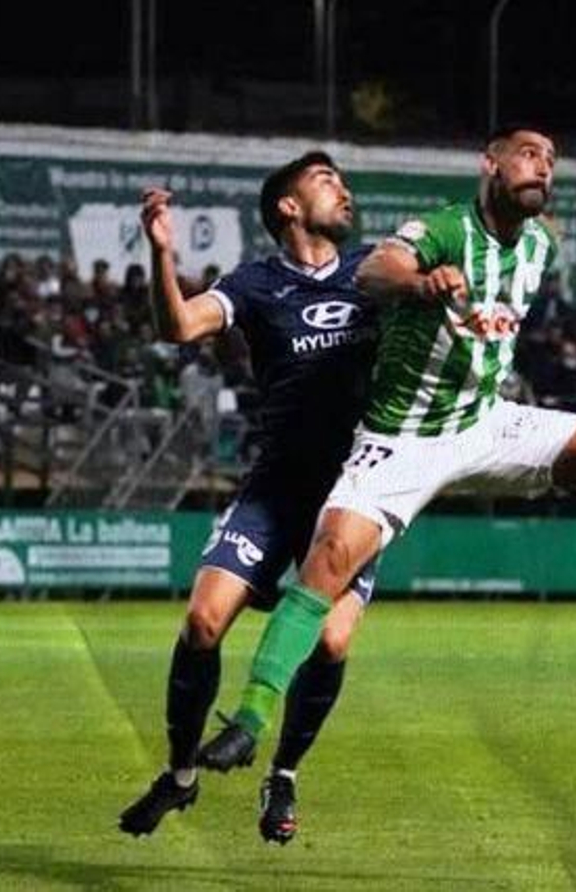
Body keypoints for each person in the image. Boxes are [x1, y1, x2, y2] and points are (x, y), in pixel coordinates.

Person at [202, 125, 576, 779]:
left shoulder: (541, 240)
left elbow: (545, 229)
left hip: (485, 421)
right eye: (527, 153)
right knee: (326, 561)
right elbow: (379, 266)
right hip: (401, 437)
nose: (542, 166)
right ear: (487, 164)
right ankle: (250, 718)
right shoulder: (446, 228)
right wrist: (419, 279)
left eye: (551, 160)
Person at [118, 152, 384, 846]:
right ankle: (180, 776)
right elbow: (177, 326)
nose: (344, 191)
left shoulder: (374, 274)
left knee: (328, 638)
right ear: (289, 207)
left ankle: (284, 772)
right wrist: (163, 254)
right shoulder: (256, 283)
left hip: (353, 495)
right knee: (203, 622)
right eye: (328, 180)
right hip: (274, 488)